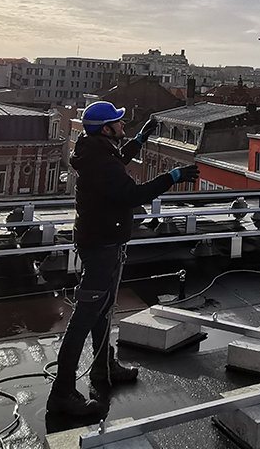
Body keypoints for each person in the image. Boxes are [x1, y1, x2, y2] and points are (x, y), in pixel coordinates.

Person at [47, 101, 199, 417]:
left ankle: (103, 368)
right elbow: (133, 195)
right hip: (101, 246)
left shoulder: (95, 151)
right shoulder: (101, 161)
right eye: (119, 122)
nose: (122, 126)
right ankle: (61, 393)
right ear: (107, 129)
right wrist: (172, 176)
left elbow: (118, 158)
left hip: (105, 241)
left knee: (102, 311)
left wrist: (142, 138)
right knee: (86, 317)